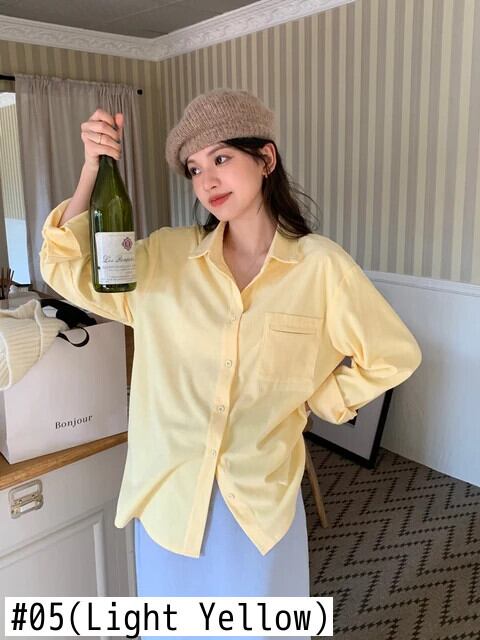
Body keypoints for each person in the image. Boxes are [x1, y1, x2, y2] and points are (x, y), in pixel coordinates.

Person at [39, 88, 422, 639]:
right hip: (168, 500)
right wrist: (92, 172)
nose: (207, 181)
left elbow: (392, 353)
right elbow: (66, 270)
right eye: (195, 169)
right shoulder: (164, 258)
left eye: (221, 158)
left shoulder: (321, 268)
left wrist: (322, 398)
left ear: (265, 159)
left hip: (257, 505)